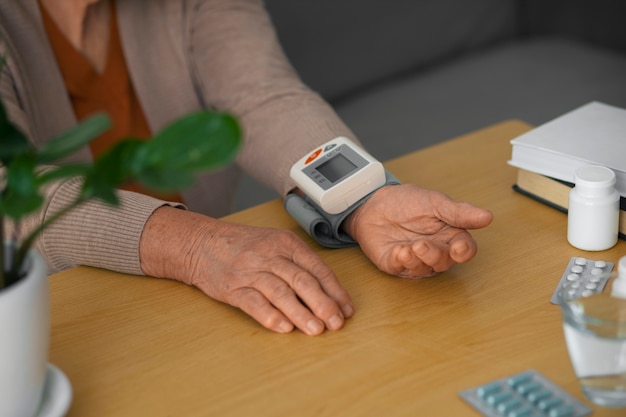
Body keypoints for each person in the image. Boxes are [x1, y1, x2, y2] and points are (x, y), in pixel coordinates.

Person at [0, 0, 493, 336]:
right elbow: (11, 192)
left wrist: (362, 198)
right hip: (52, 317)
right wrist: (193, 246)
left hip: (206, 297)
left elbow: (261, 96)